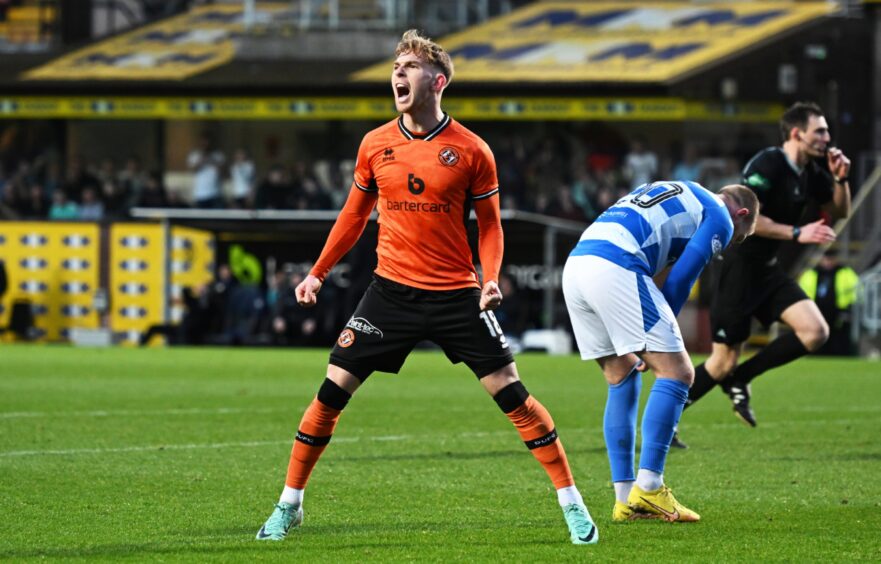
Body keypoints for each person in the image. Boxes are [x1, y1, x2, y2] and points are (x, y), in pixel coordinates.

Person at [256, 29, 598, 546]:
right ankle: (290, 504)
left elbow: (490, 225)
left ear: (437, 81)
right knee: (329, 393)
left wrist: (490, 280)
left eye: (409, 66)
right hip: (389, 292)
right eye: (395, 65)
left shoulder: (472, 150)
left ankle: (573, 504)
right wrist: (317, 272)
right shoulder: (375, 144)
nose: (398, 73)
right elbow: (353, 216)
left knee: (513, 395)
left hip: (457, 295)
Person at [562, 180, 758, 522]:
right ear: (741, 215)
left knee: (621, 377)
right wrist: (655, 336)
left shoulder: (682, 187)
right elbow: (681, 278)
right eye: (740, 237)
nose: (729, 243)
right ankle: (650, 487)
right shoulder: (721, 217)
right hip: (615, 265)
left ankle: (625, 500)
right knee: (679, 372)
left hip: (577, 264)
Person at [677, 102, 852, 443]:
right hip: (739, 270)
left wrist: (840, 179)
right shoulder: (767, 165)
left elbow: (839, 209)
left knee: (815, 331)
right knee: (721, 361)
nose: (827, 138)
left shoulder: (814, 171)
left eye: (827, 131)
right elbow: (748, 222)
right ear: (797, 133)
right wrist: (797, 233)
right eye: (820, 131)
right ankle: (664, 419)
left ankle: (741, 379)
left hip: (769, 270)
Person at [798, 250, 859, 356]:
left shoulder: (845, 272)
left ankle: (839, 355)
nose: (828, 262)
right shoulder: (811, 273)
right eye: (826, 259)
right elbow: (802, 290)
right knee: (817, 332)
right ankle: (816, 354)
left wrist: (848, 307)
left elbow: (855, 290)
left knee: (838, 335)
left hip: (839, 309)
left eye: (831, 259)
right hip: (816, 309)